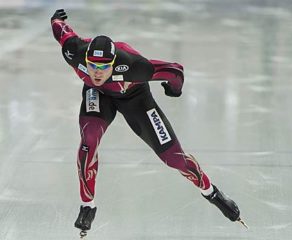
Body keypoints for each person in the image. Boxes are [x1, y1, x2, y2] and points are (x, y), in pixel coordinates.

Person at [50, 9, 245, 233]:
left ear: (114, 63)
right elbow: (62, 32)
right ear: (85, 60)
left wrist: (174, 90)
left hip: (135, 99)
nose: (97, 72)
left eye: (104, 67)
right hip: (98, 95)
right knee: (89, 141)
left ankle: (212, 192)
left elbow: (175, 71)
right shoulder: (74, 52)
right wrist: (56, 19)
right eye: (93, 66)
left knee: (174, 159)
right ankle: (88, 206)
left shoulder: (135, 67)